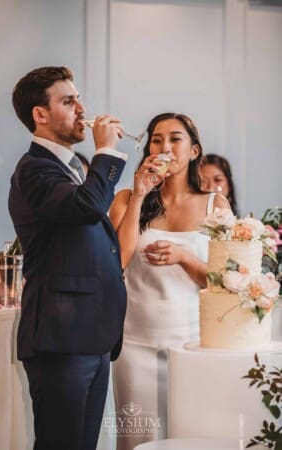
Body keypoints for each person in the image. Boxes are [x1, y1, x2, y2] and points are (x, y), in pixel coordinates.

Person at [8, 66, 127, 450]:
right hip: (61, 340)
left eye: (78, 98)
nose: (81, 109)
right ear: (39, 115)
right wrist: (106, 150)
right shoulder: (34, 170)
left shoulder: (73, 168)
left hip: (91, 336)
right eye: (68, 100)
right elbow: (87, 206)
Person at [109, 112, 231, 450]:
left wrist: (185, 257)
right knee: (136, 440)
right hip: (134, 344)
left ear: (193, 151)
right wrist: (138, 195)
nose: (165, 147)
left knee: (191, 438)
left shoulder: (214, 204)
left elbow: (224, 282)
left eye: (175, 139)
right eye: (157, 139)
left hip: (193, 344)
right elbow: (116, 261)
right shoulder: (124, 199)